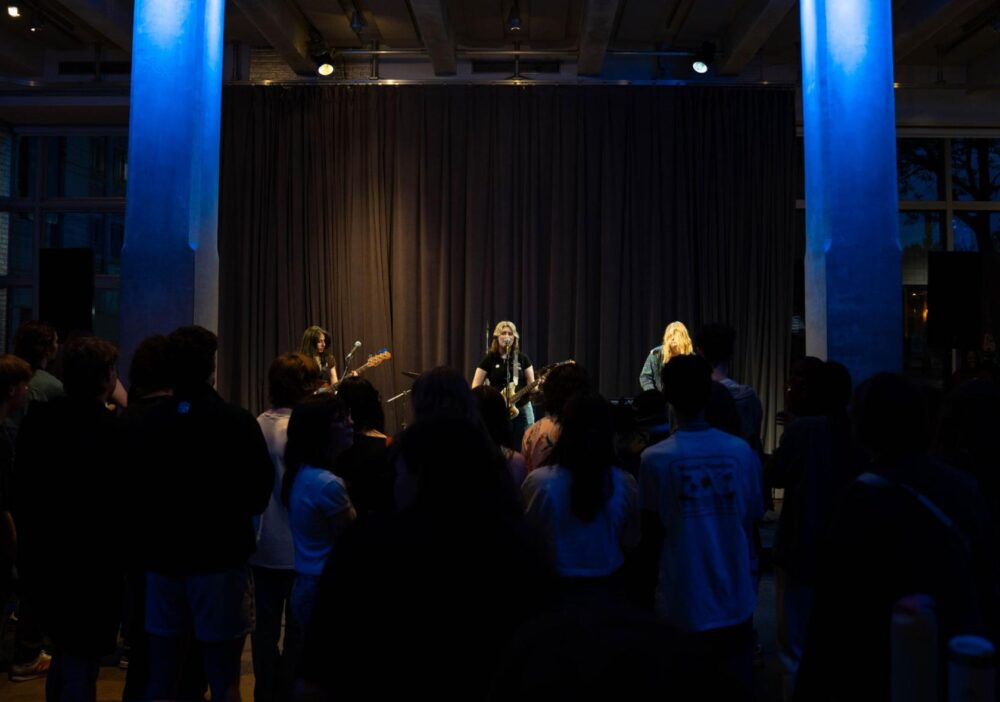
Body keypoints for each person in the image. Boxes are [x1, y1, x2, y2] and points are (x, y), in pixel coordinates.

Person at [138, 326, 273, 702]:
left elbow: (136, 489)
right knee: (224, 677)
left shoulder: (150, 422)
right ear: (211, 365)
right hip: (220, 562)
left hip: (163, 561)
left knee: (161, 676)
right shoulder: (236, 421)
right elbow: (259, 492)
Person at [639, 355, 763, 701]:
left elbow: (651, 534)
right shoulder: (741, 454)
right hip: (733, 597)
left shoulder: (654, 459)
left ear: (667, 396)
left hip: (681, 600)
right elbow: (751, 516)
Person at [13, 336, 124, 700]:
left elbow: (23, 488)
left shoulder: (40, 419)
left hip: (43, 557)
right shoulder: (110, 431)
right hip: (92, 567)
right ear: (107, 376)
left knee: (63, 653)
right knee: (81, 664)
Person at [251, 353, 321, 702]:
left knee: (263, 631)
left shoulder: (258, 425)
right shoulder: (307, 430)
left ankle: (266, 692)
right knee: (298, 631)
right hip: (301, 548)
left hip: (263, 545)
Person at [522, 393, 639, 585]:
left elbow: (527, 539)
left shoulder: (539, 482)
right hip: (609, 588)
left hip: (554, 590)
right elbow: (632, 540)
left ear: (564, 431)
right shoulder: (624, 483)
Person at [281, 396, 357, 662]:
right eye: (341, 419)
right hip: (327, 586)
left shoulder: (303, 474)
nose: (351, 423)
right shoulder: (327, 484)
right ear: (321, 431)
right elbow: (350, 541)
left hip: (305, 582)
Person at [472, 321, 536, 448]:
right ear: (497, 337)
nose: (507, 336)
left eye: (510, 334)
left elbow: (532, 384)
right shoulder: (489, 358)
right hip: (498, 407)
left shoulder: (522, 359)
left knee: (526, 441)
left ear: (514, 338)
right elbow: (476, 386)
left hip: (522, 406)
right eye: (503, 333)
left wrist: (537, 388)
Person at [639, 321, 693, 392]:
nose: (673, 338)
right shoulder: (656, 354)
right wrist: (652, 393)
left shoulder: (692, 357)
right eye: (670, 335)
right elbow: (645, 377)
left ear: (683, 338)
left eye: (676, 335)